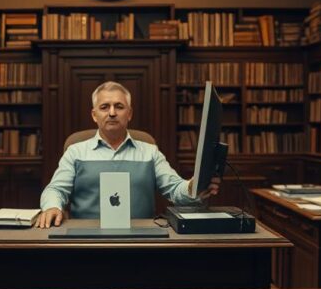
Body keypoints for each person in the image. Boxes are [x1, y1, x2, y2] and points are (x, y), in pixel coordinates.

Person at [38, 81, 220, 228]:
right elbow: (55, 189)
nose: (111, 113)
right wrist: (52, 207)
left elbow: (174, 189)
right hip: (86, 238)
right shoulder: (75, 152)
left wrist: (192, 187)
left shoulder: (150, 152)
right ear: (94, 115)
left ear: (129, 113)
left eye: (119, 106)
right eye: (104, 107)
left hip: (141, 239)